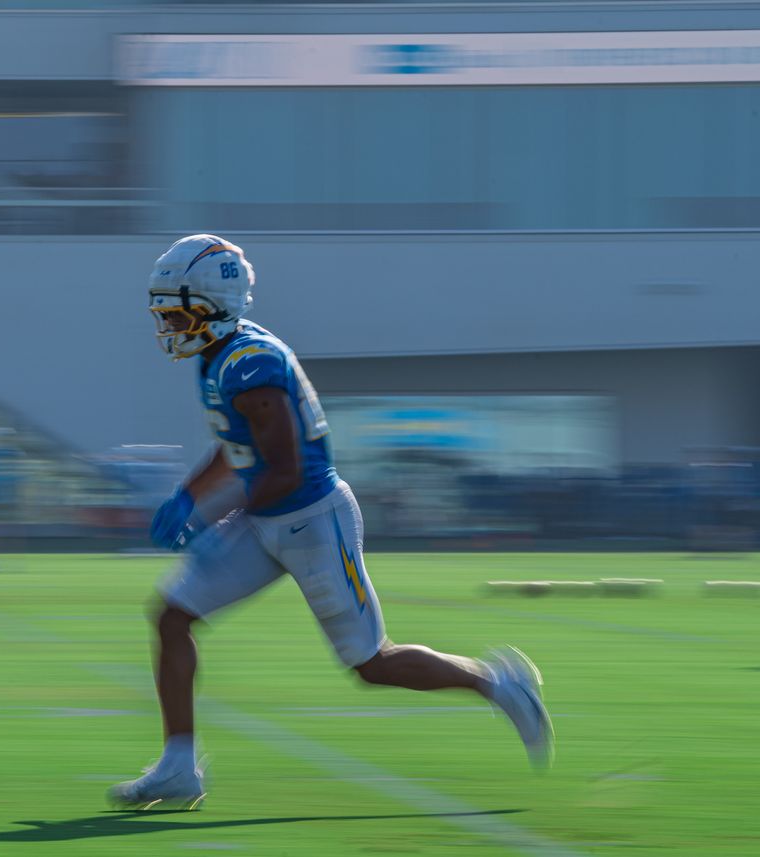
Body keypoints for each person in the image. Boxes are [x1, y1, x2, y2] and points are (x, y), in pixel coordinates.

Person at [109, 235, 554, 810]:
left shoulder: (252, 364)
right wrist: (188, 496)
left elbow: (286, 470)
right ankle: (177, 768)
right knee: (172, 617)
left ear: (213, 303)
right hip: (265, 515)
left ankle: (497, 683)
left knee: (373, 665)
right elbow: (235, 447)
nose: (168, 321)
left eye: (176, 308)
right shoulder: (221, 356)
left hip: (314, 521)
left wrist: (209, 518)